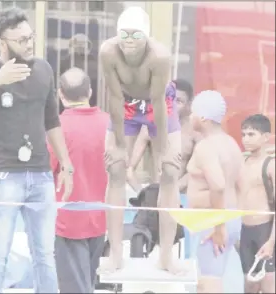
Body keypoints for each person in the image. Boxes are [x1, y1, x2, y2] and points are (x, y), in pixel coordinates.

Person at [0, 8, 73, 293]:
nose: (29, 43)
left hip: (40, 173)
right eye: (21, 39)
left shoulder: (43, 69)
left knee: (45, 255)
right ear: (2, 42)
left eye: (31, 37)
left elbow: (52, 120)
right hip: (2, 174)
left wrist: (66, 163)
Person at [98, 6, 182, 274]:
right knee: (115, 169)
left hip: (158, 104)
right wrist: (121, 145)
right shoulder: (108, 52)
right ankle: (115, 254)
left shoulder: (159, 56)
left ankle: (166, 256)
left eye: (136, 35)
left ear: (146, 36)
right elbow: (113, 96)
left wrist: (164, 149)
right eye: (124, 34)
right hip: (125, 104)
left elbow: (157, 103)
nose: (129, 40)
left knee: (169, 171)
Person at [48, 68, 109, 293]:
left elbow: (46, 170)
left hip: (68, 222)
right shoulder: (109, 125)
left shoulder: (57, 128)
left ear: (60, 94)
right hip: (100, 219)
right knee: (87, 285)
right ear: (90, 92)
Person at [187, 90, 243, 293]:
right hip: (228, 217)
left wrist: (219, 228)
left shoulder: (206, 147)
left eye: (192, 113)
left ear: (203, 117)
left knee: (208, 280)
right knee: (211, 277)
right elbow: (240, 185)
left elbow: (218, 185)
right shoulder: (231, 144)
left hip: (213, 222)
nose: (190, 117)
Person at [238, 114, 275, 293]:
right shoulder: (241, 163)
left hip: (265, 231)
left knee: (268, 286)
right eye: (243, 134)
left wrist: (271, 242)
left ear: (266, 137)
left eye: (251, 134)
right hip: (245, 231)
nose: (246, 139)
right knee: (249, 286)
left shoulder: (270, 165)